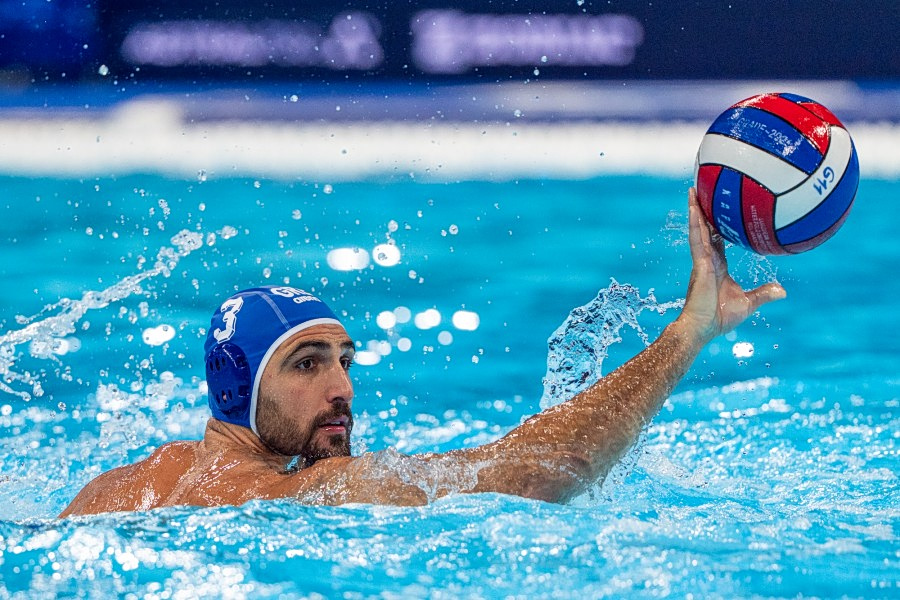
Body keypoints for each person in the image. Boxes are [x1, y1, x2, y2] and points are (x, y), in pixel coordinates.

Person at [59, 189, 785, 517]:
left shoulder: (115, 492)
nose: (342, 386)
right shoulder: (292, 495)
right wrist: (687, 332)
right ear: (237, 390)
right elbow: (539, 475)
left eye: (346, 358)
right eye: (307, 363)